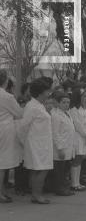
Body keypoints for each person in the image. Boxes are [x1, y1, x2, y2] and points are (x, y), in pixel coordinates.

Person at [20, 78, 53, 204]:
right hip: (36, 144)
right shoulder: (32, 107)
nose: (48, 94)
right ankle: (37, 195)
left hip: (41, 143)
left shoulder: (39, 105)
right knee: (41, 169)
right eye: (46, 91)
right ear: (40, 93)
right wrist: (25, 142)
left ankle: (35, 195)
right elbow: (23, 126)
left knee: (37, 169)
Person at [0, 70, 23, 203]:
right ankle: (0, 193)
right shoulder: (7, 97)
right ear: (5, 81)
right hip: (4, 129)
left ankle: (2, 191)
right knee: (2, 163)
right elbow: (19, 113)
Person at [50, 91, 75, 196]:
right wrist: (60, 149)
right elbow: (55, 134)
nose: (66, 104)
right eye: (64, 102)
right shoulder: (55, 115)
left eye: (68, 102)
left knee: (65, 170)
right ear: (58, 103)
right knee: (59, 171)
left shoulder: (67, 113)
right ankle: (60, 189)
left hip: (68, 146)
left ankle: (64, 188)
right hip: (60, 148)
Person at [69, 89, 86, 191]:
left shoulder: (83, 109)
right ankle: (74, 184)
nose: (85, 98)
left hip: (84, 137)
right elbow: (78, 126)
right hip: (77, 137)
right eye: (83, 96)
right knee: (77, 160)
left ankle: (77, 183)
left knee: (80, 159)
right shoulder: (74, 110)